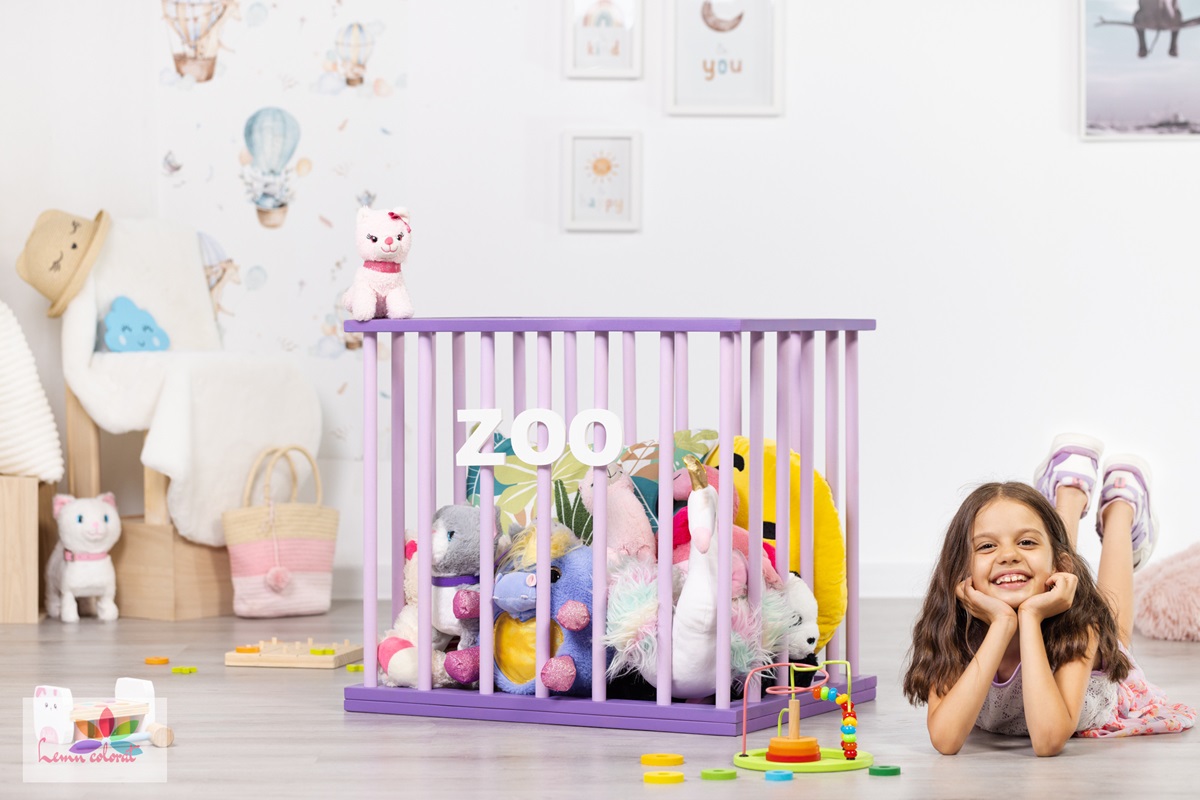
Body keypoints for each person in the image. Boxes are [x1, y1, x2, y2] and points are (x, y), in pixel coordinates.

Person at [903, 434, 1195, 756]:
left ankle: (1121, 506)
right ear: (959, 568)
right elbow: (945, 740)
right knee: (1046, 551)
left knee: (1115, 633)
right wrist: (1002, 624)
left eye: (1025, 542)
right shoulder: (954, 631)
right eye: (986, 546)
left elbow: (1047, 741)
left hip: (1102, 698)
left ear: (1061, 568)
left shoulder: (1080, 629)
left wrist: (1029, 616)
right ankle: (1070, 487)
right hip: (1036, 579)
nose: (1008, 555)